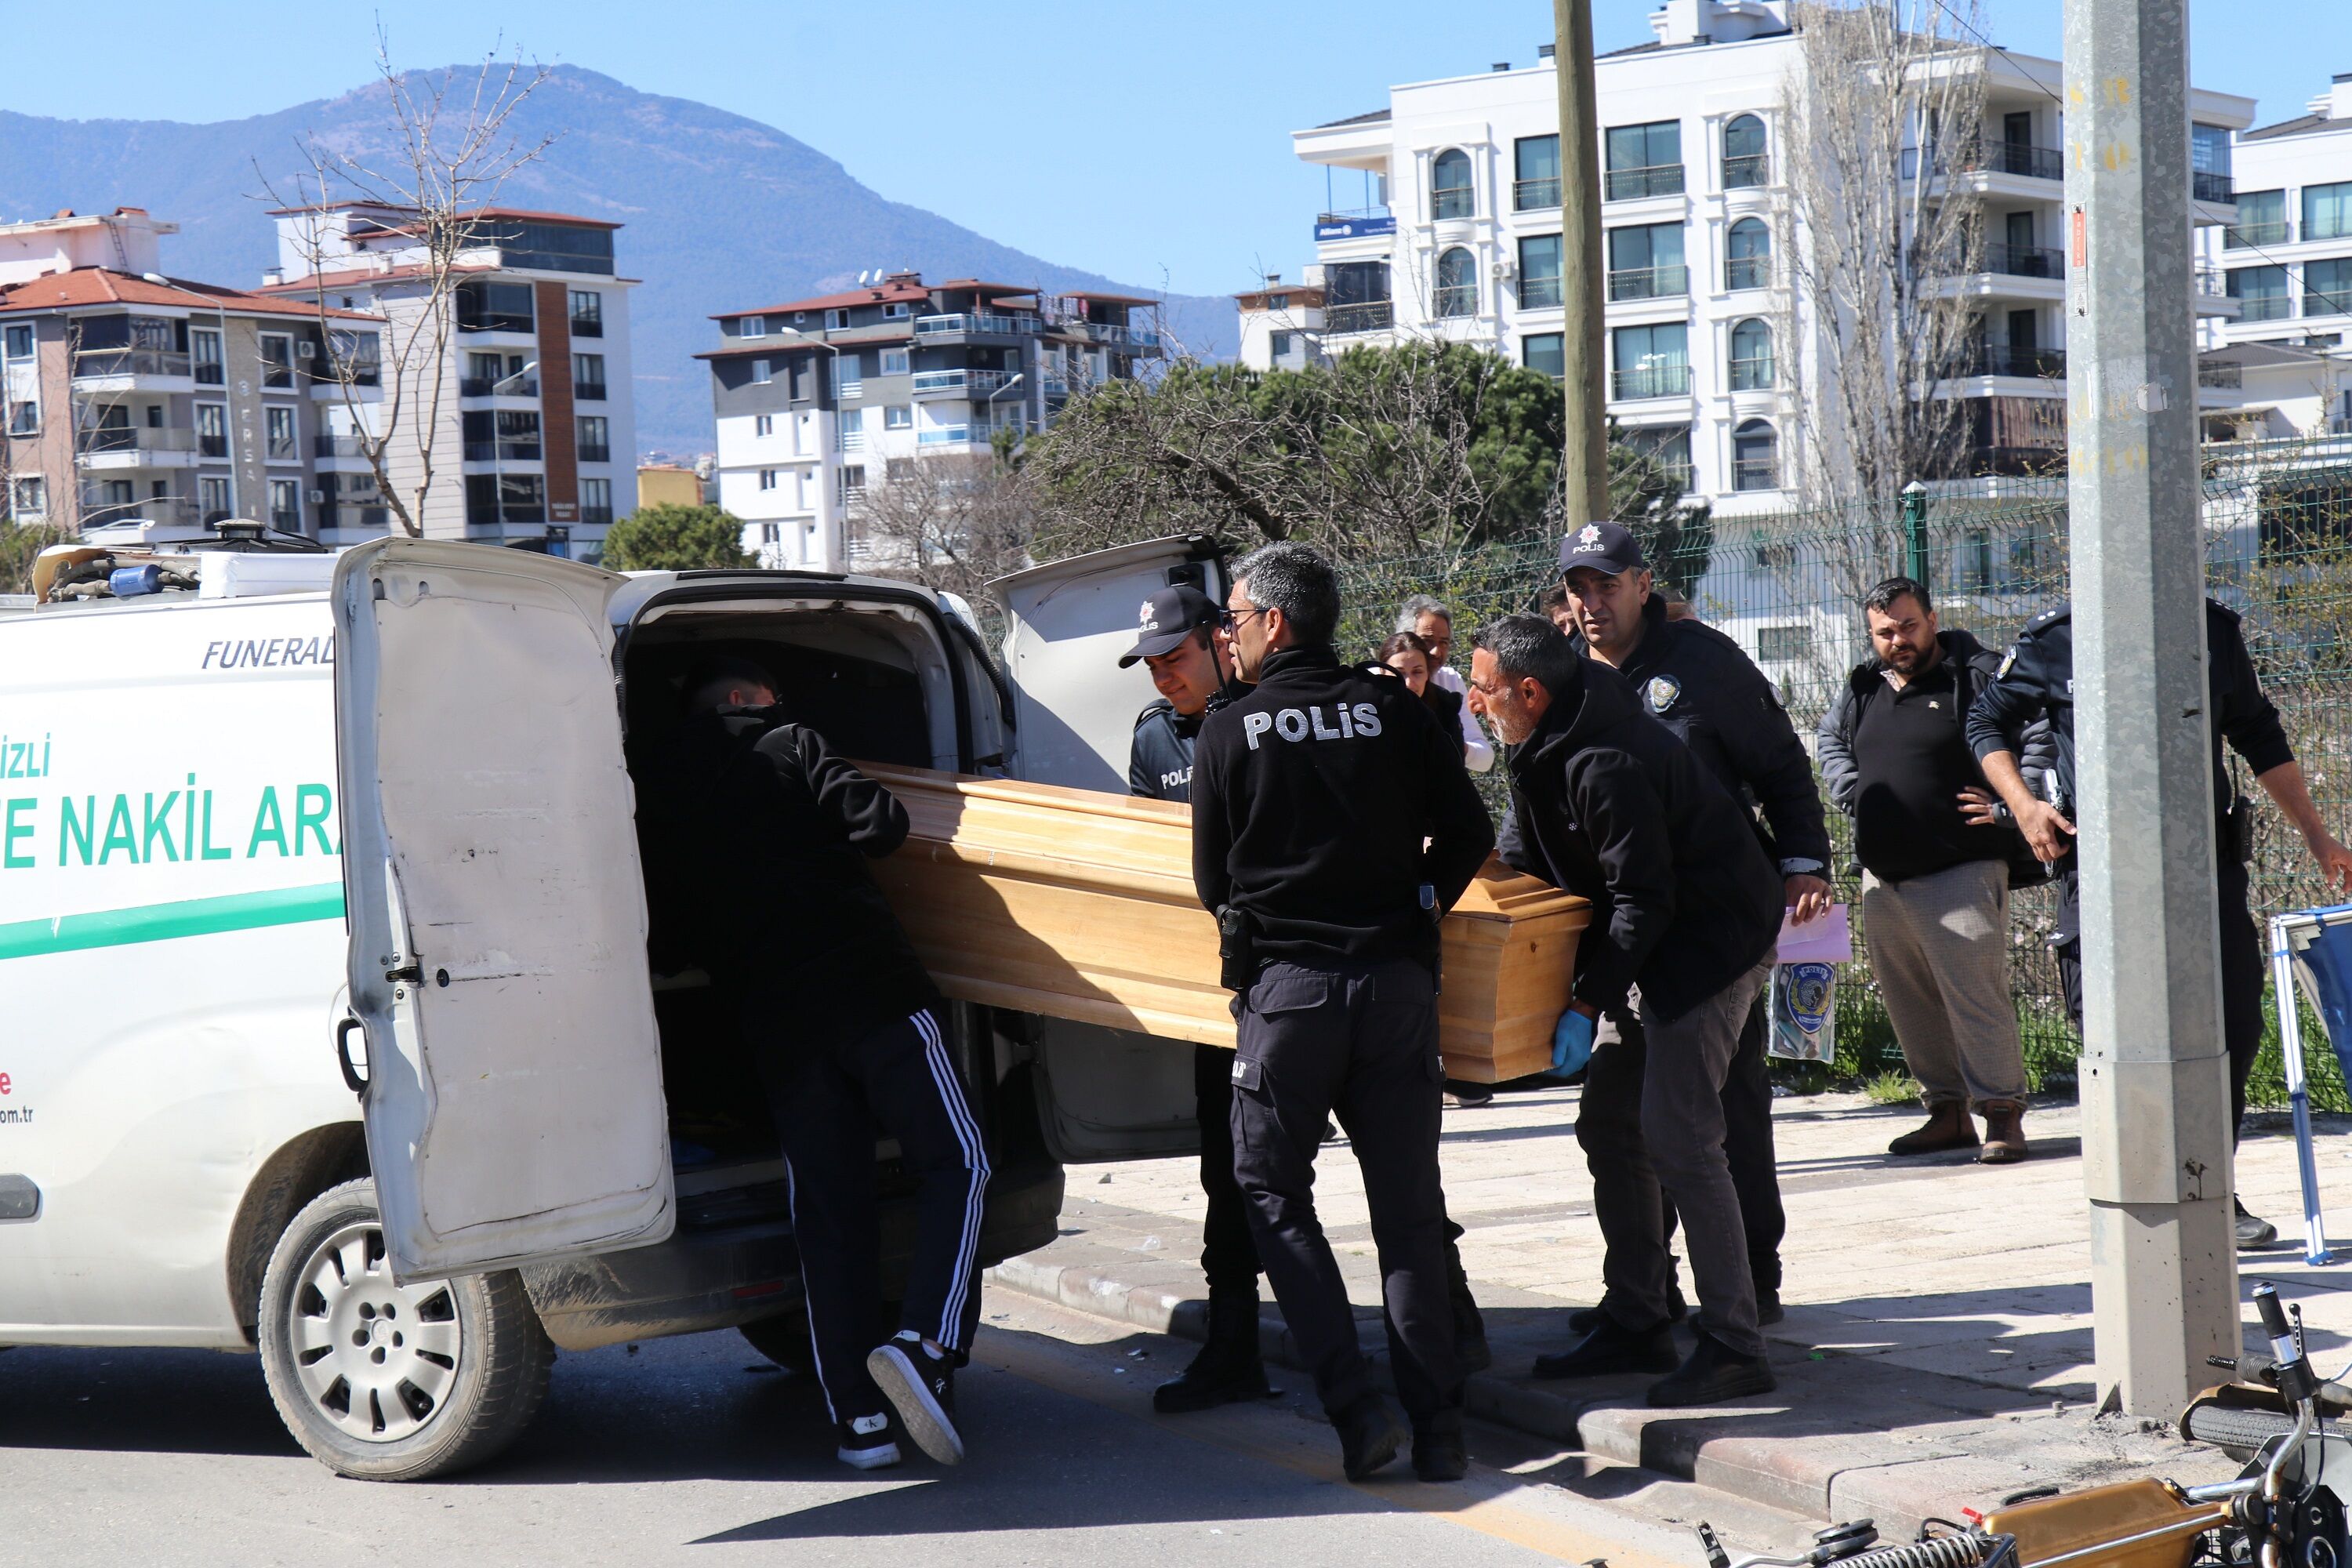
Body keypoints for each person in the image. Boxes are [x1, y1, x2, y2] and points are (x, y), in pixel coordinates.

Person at [632, 657, 989, 1472]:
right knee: (961, 1161)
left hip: (778, 1025)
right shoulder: (792, 741)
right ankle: (925, 1342)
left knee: (830, 1216)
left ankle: (858, 1426)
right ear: (746, 698)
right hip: (873, 992)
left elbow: (673, 937)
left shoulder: (662, 798)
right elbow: (884, 825)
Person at [1194, 543, 1495, 1482]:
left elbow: (1212, 882)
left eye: (1235, 620)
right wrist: (1414, 908)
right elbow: (1473, 829)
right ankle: (1439, 1431)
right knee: (1408, 1216)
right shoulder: (1396, 712)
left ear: (1274, 624)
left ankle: (1356, 1408)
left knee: (1274, 1194)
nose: (1228, 637)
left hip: (1291, 998)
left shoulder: (1228, 729)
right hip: (1398, 989)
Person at [1468, 615, 1785, 1407]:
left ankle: (1734, 1343)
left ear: (1528, 691)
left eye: (1482, 687)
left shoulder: (1604, 759)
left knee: (1682, 1138)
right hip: (1651, 942)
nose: (1473, 701)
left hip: (1709, 946)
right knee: (1611, 1122)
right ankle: (1638, 1313)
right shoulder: (1542, 740)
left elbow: (1644, 899)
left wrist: (1585, 1001)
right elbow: (1536, 849)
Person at [1968, 598, 2352, 1247]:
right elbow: (1986, 720)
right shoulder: (2063, 636)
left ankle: (2209, 1188)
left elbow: (2258, 733)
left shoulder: (2211, 631)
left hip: (2204, 869)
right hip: (2102, 875)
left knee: (2233, 1022)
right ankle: (2138, 1199)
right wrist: (2025, 806)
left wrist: (2319, 837)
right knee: (2113, 1034)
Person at [1555, 520, 1829, 1328]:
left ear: (1644, 584)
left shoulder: (1702, 661)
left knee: (1727, 1110)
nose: (1592, 601)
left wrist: (1805, 861)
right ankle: (1641, 1288)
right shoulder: (1565, 676)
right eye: (1579, 587)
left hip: (1716, 931)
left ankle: (1752, 1280)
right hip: (1625, 929)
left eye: (1607, 583)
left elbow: (1781, 765)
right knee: (1619, 1118)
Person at [1816, 578, 2052, 1163]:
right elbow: (1829, 739)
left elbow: (2040, 731)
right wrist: (1856, 791)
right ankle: (1945, 1112)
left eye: (1908, 625)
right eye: (1885, 632)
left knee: (1975, 996)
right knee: (1911, 1001)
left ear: (1932, 618)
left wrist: (2010, 805)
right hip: (1883, 876)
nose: (1898, 640)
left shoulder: (1978, 675)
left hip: (1961, 868)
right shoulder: (1864, 685)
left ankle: (2002, 1113)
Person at [1119, 583, 1272, 1414]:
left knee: (1388, 1164)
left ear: (1222, 640)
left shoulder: (1268, 712)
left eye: (1174, 658)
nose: (1161, 677)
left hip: (1302, 978)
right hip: (1215, 993)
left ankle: (1448, 1327)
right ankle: (1234, 1345)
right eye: (1150, 663)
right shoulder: (1152, 738)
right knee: (1230, 1173)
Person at [1396, 594, 1497, 773]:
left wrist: (1452, 745)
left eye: (1444, 643)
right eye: (1427, 641)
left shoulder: (1450, 680)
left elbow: (1485, 758)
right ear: (1405, 639)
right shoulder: (1376, 681)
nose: (1436, 651)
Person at [1378, 630, 1468, 757]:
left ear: (1427, 673)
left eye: (1417, 672)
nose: (1409, 683)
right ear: (1382, 672)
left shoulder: (1446, 710)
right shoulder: (1367, 711)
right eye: (1399, 673)